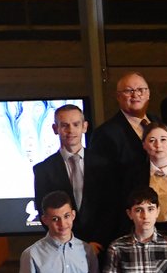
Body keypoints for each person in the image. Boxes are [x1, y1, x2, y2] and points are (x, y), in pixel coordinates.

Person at [33, 104, 111, 249]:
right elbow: (44, 211)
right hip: (63, 247)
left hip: (100, 247)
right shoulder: (43, 170)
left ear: (85, 127)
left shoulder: (105, 165)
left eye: (76, 124)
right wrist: (69, 243)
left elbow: (111, 207)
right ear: (55, 129)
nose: (71, 130)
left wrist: (98, 241)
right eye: (64, 125)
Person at [93, 73, 155, 234]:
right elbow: (104, 187)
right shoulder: (105, 134)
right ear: (118, 97)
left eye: (141, 90)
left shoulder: (159, 124)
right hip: (125, 223)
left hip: (160, 219)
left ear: (148, 94)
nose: (136, 95)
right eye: (129, 91)